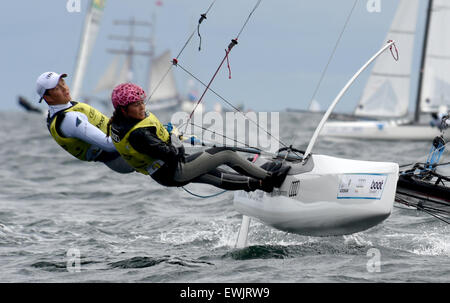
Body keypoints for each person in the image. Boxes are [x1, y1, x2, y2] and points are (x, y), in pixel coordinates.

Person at [107, 83, 290, 192]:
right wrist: (174, 138)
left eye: (142, 102)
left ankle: (258, 183)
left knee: (213, 174)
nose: (142, 107)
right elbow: (174, 154)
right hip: (174, 168)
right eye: (136, 104)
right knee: (225, 153)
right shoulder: (138, 134)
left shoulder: (119, 123)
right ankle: (270, 178)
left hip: (164, 174)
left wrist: (163, 133)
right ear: (123, 109)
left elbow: (151, 143)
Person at [35, 71, 134, 174]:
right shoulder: (69, 119)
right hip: (121, 158)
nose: (64, 88)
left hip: (122, 150)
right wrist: (133, 130)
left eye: (63, 83)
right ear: (48, 98)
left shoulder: (66, 108)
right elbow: (108, 145)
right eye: (57, 88)